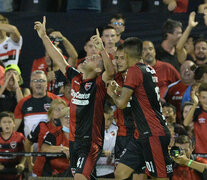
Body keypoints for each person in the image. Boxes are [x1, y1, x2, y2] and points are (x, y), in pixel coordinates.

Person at [34, 16, 114, 180]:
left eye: (93, 58)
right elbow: (58, 58)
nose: (88, 57)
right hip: (74, 140)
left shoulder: (99, 83)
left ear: (99, 69)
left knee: (79, 177)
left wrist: (103, 50)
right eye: (89, 56)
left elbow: (111, 72)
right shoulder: (75, 77)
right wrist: (44, 36)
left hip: (90, 142)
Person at [107, 37, 173, 179]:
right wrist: (119, 89)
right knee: (120, 173)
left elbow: (121, 104)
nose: (118, 61)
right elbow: (140, 95)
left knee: (160, 177)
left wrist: (112, 93)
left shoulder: (133, 71)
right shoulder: (147, 69)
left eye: (121, 57)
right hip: (141, 133)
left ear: (128, 55)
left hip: (153, 132)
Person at [24, 98, 67, 176]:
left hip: (65, 170)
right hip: (41, 169)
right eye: (57, 109)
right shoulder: (41, 126)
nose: (60, 112)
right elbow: (28, 142)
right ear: (50, 113)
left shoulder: (70, 127)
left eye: (63, 109)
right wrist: (30, 163)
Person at [14, 70, 60, 137]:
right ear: (31, 84)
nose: (39, 83)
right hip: (29, 145)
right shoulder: (22, 103)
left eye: (41, 81)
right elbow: (14, 129)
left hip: (51, 144)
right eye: (35, 81)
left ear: (46, 83)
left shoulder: (56, 100)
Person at [41, 107, 71, 176]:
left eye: (71, 117)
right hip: (54, 172)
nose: (68, 120)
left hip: (74, 171)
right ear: (61, 119)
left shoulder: (80, 134)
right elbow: (44, 149)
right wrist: (62, 148)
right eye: (66, 117)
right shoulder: (53, 133)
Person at [0, 112, 25, 180]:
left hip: (15, 168)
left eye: (9, 122)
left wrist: (22, 164)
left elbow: (25, 152)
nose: (7, 124)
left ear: (14, 124)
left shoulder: (20, 136)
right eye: (4, 122)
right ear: (0, 124)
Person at [183, 83, 207, 154]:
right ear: (199, 97)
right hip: (200, 154)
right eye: (203, 97)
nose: (206, 100)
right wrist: (195, 103)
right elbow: (186, 123)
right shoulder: (197, 111)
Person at [96, 104, 118, 178]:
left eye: (108, 119)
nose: (106, 123)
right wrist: (102, 151)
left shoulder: (117, 129)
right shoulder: (93, 130)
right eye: (103, 119)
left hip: (111, 171)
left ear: (112, 118)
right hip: (95, 170)